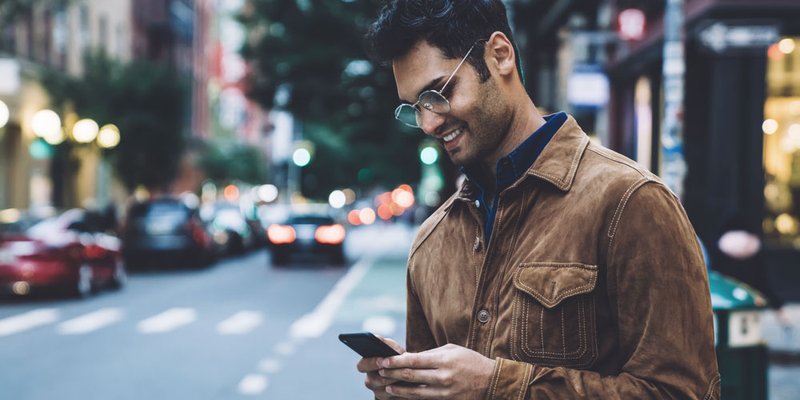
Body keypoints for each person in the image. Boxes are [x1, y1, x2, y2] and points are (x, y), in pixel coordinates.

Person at [356, 1, 720, 399]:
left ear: (500, 55)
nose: (429, 123)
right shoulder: (432, 241)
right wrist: (401, 388)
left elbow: (683, 392)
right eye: (417, 107)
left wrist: (495, 385)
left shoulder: (630, 202)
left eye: (439, 93)